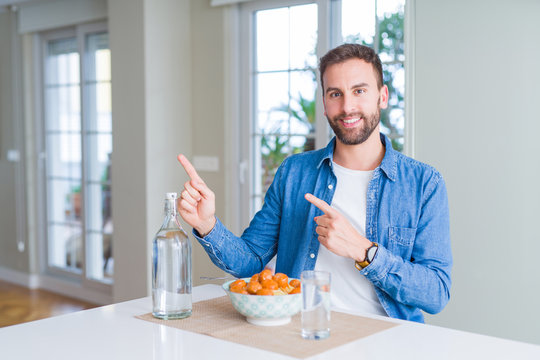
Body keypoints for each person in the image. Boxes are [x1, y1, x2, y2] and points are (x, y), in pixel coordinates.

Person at [177, 43, 452, 323]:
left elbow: (436, 293)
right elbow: (250, 260)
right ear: (325, 104)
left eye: (359, 91)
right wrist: (207, 224)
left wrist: (364, 251)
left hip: (385, 339)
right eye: (336, 94)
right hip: (302, 332)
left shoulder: (424, 183)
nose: (347, 107)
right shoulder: (294, 172)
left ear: (382, 96)